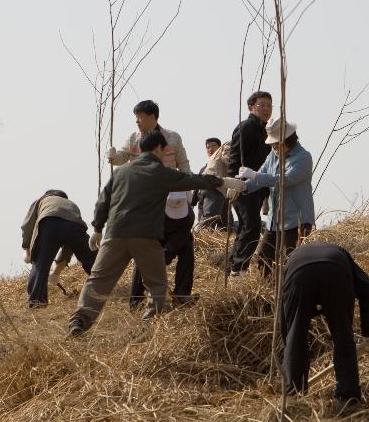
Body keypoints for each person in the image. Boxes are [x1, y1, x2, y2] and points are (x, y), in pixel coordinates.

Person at [68, 130, 242, 336]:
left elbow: (103, 201)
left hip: (114, 234)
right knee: (157, 284)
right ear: (160, 148)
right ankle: (146, 329)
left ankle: (79, 320)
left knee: (98, 280)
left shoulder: (121, 172)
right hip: (145, 235)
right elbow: (193, 180)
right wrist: (223, 181)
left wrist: (97, 228)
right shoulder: (159, 172)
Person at [278, 242, 369, 416]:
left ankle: (294, 397)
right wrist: (368, 332)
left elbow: (284, 313)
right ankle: (348, 398)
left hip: (298, 276)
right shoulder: (342, 255)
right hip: (335, 273)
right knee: (343, 335)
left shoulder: (292, 259)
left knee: (296, 337)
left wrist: (288, 340)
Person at [240, 118, 315, 275]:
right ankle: (268, 295)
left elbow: (283, 180)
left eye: (276, 143)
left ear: (287, 140)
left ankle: (288, 294)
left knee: (292, 262)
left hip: (296, 221)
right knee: (263, 261)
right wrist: (243, 187)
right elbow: (261, 177)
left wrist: (254, 176)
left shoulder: (303, 158)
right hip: (274, 221)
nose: (273, 146)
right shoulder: (273, 155)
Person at [21, 190, 98, 308]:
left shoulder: (41, 200)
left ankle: (37, 303)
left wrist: (28, 250)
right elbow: (69, 247)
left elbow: (27, 226)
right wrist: (56, 273)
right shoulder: (71, 205)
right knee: (90, 257)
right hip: (75, 225)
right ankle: (103, 288)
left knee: (40, 264)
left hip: (49, 223)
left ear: (48, 194)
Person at [226, 91, 274, 274]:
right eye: (262, 105)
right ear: (251, 107)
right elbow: (234, 156)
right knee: (252, 227)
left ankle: (234, 268)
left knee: (248, 227)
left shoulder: (267, 130)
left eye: (269, 105)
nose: (266, 109)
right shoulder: (246, 127)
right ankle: (238, 267)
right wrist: (233, 183)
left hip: (258, 186)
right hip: (243, 186)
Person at [129, 189, 196, 307]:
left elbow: (178, 240)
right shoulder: (151, 211)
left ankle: (181, 295)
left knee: (187, 248)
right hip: (154, 234)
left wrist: (166, 255)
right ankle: (136, 300)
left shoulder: (189, 217)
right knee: (143, 260)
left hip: (177, 235)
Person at [106, 99, 191, 173]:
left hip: (168, 188)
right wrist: (112, 157)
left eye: (139, 117)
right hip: (142, 188)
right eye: (136, 117)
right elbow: (122, 157)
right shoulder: (133, 139)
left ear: (152, 117)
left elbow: (183, 164)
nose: (136, 121)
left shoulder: (173, 138)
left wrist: (188, 188)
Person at [195, 137, 232, 230]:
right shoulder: (205, 168)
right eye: (208, 147)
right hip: (209, 194)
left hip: (221, 192)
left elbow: (228, 160)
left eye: (213, 146)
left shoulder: (222, 157)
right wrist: (193, 201)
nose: (210, 149)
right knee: (208, 221)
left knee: (226, 224)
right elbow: (196, 183)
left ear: (220, 147)